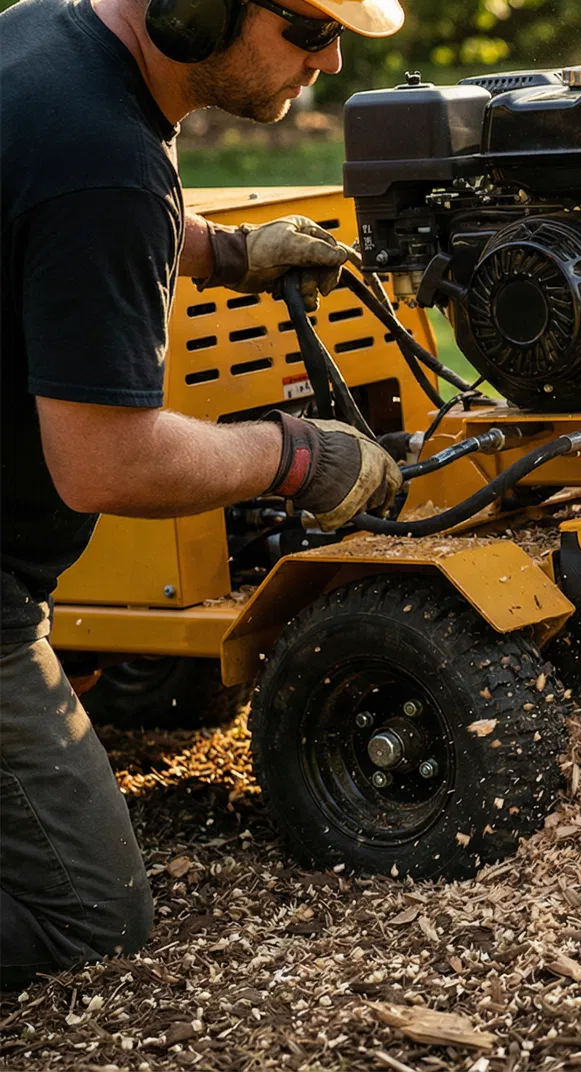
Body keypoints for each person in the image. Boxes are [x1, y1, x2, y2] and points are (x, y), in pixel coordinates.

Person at [0, 0, 405, 988]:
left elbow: (50, 202)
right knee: (86, 915)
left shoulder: (42, 44)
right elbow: (105, 463)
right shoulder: (104, 151)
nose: (331, 56)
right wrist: (296, 455)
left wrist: (225, 252)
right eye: (309, 26)